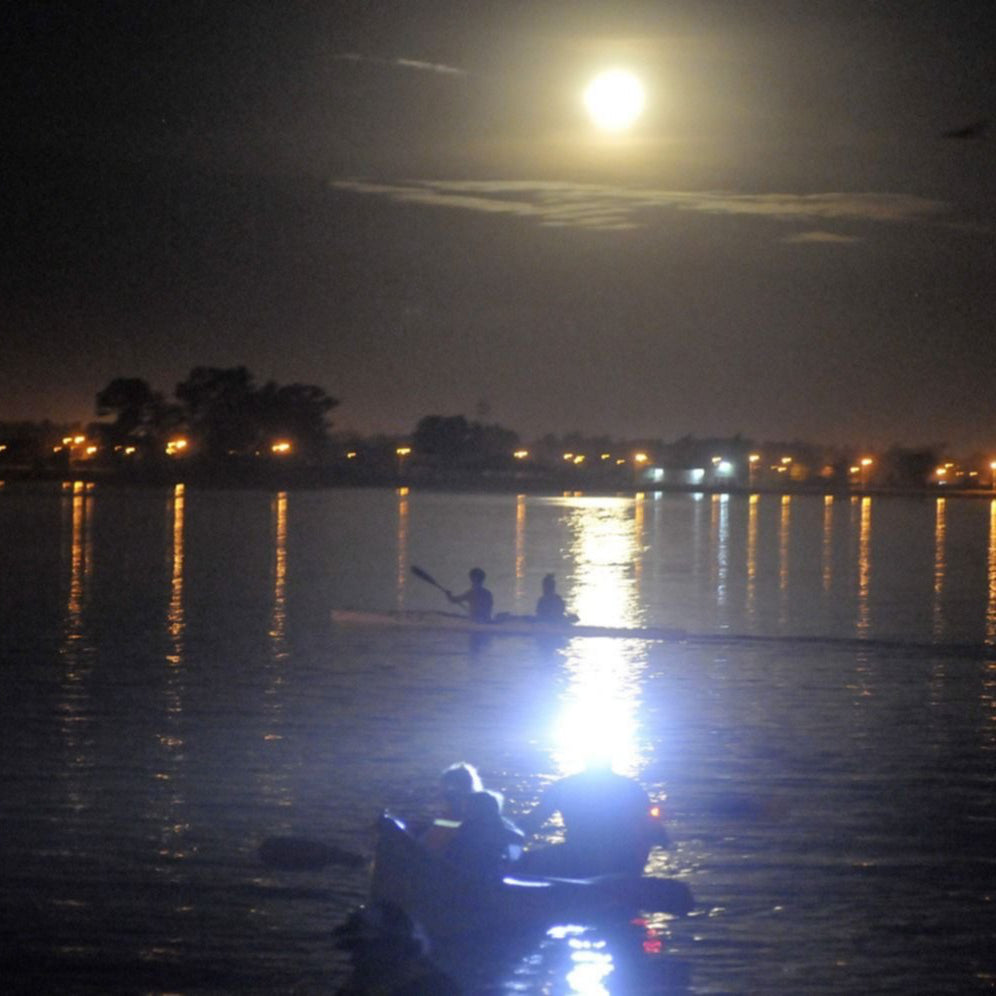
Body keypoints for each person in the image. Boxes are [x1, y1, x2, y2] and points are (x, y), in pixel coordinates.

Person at [517, 758, 655, 878]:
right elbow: (654, 832)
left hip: (577, 857)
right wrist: (635, 868)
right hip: (620, 861)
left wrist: (503, 837)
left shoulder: (564, 787)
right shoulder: (632, 789)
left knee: (519, 864)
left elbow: (532, 823)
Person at [444, 789, 525, 881]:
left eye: (468, 809)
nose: (464, 813)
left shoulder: (462, 834)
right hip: (496, 884)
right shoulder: (514, 836)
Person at [417, 761, 483, 855]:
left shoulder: (452, 817)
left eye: (441, 792)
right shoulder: (487, 815)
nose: (437, 796)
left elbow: (427, 848)